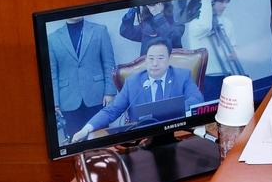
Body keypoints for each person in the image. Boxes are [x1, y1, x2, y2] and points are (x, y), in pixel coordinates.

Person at [69, 39, 201, 142]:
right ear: (145, 59)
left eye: (160, 58)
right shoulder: (133, 82)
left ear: (168, 60)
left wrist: (169, 110)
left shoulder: (182, 76)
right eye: (151, 58)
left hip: (176, 134)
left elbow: (196, 100)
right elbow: (112, 110)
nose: (155, 63)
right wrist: (86, 129)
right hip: (143, 140)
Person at [48, 15, 118, 145]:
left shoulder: (100, 31)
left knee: (102, 142)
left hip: (98, 97)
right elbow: (52, 73)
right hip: (67, 101)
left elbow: (109, 63)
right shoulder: (52, 38)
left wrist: (110, 92)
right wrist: (55, 102)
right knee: (76, 144)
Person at [183, 0, 244, 90]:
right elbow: (206, 26)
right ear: (210, 2)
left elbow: (234, 46)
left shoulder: (227, 22)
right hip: (208, 77)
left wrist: (236, 53)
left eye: (226, 2)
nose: (225, 6)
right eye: (221, 2)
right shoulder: (195, 25)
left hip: (228, 74)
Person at [120, 3, 185, 53]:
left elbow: (174, 37)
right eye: (151, 4)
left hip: (170, 67)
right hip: (149, 68)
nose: (155, 7)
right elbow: (125, 31)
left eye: (158, 3)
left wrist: (159, 15)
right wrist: (133, 8)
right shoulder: (146, 26)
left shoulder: (177, 23)